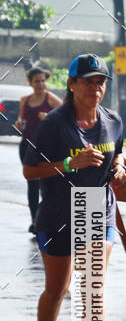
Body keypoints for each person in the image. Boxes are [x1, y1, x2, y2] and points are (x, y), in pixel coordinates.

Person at [22, 53, 126, 321]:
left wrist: (121, 165)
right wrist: (71, 164)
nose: (95, 89)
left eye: (100, 82)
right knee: (57, 289)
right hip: (57, 214)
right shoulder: (54, 124)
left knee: (93, 288)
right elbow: (29, 170)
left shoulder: (112, 121)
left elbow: (119, 149)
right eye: (87, 82)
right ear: (71, 85)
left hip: (97, 207)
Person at [14, 66, 62, 233]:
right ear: (30, 83)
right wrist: (19, 124)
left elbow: (66, 119)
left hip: (46, 149)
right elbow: (21, 121)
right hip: (27, 146)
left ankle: (47, 220)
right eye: (37, 81)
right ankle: (35, 221)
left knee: (46, 185)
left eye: (43, 80)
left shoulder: (51, 99)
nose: (41, 84)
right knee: (32, 184)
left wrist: (48, 118)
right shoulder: (24, 101)